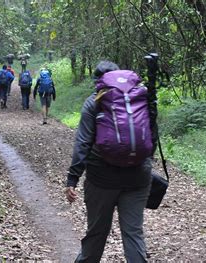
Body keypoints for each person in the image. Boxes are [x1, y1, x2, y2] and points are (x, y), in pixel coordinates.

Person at [65, 61, 158, 262]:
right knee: (133, 233)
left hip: (101, 179)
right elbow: (152, 138)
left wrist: (72, 179)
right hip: (138, 178)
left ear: (99, 80)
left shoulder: (94, 101)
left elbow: (83, 143)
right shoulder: (140, 98)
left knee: (96, 233)